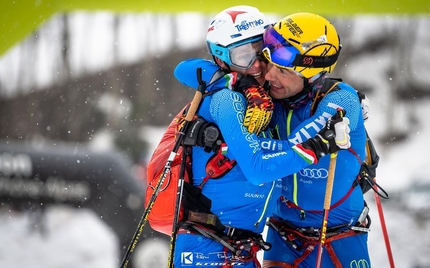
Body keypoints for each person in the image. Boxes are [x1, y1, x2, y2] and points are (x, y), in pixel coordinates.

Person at [172, 6, 351, 268]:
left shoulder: (265, 95)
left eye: (263, 52)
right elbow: (257, 169)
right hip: (207, 249)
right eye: (244, 56)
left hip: (240, 248)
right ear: (222, 60)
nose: (256, 64)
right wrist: (316, 146)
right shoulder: (228, 98)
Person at [260, 12, 372, 267]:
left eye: (282, 71)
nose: (268, 76)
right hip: (283, 232)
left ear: (311, 74)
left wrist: (251, 149)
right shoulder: (266, 97)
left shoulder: (341, 99)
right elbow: (190, 70)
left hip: (341, 232)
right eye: (268, 64)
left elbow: (295, 149)